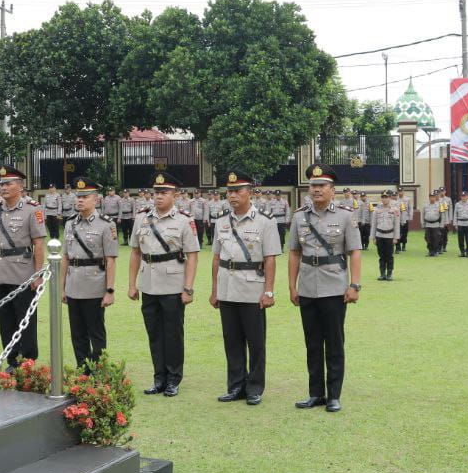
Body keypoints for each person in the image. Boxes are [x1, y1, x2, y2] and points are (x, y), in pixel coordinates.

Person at [288, 164, 362, 413]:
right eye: (313, 185)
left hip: (334, 287)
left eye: (321, 186)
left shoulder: (345, 215)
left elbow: (354, 252)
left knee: (334, 343)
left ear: (332, 189)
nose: (316, 190)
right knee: (312, 344)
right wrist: (292, 286)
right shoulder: (299, 216)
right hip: (307, 286)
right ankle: (315, 394)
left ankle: (334, 395)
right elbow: (294, 253)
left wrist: (354, 285)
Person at [211, 171, 280, 406]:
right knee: (231, 340)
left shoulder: (265, 220)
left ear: (249, 192)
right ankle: (236, 385)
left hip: (252, 287)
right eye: (229, 191)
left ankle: (254, 387)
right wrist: (214, 290)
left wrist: (268, 291)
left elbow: (270, 259)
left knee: (255, 341)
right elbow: (216, 257)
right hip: (227, 286)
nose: (232, 195)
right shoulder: (220, 219)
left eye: (238, 190)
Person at [128, 172, 199, 397]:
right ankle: (159, 378)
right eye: (156, 192)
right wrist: (132, 284)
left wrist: (188, 288)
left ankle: (173, 378)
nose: (158, 196)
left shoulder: (184, 220)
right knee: (154, 333)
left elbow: (192, 256)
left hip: (172, 284)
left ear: (175, 195)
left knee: (173, 334)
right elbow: (135, 252)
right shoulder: (141, 218)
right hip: (148, 283)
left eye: (164, 192)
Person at [0, 165, 46, 364]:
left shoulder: (32, 209)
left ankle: (28, 361)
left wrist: (38, 275)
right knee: (5, 321)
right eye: (1, 183)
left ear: (20, 187)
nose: (3, 187)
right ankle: (11, 360)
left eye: (8, 183)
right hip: (0, 272)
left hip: (23, 273)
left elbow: (38, 244)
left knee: (25, 320)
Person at [61, 177, 118, 368]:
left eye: (85, 197)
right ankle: (82, 370)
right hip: (73, 284)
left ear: (96, 200)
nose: (80, 200)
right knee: (77, 333)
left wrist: (109, 290)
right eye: (78, 197)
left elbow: (110, 259)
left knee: (96, 332)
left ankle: (98, 369)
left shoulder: (106, 224)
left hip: (95, 285)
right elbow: (65, 258)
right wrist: (62, 288)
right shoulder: (70, 224)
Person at [372, 190, 400, 280]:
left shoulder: (395, 210)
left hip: (389, 236)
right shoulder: (376, 210)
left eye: (386, 197)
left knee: (389, 256)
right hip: (379, 235)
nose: (384, 199)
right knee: (381, 256)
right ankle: (382, 274)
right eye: (383, 197)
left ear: (390, 198)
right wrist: (373, 237)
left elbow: (396, 225)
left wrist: (396, 237)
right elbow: (374, 224)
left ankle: (389, 274)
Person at [454, 189, 468, 258]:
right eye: (462, 196)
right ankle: (462, 252)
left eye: (465, 196)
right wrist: (455, 224)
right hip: (460, 223)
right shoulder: (457, 204)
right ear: (461, 197)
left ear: (467, 197)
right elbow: (455, 214)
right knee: (460, 239)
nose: (463, 197)